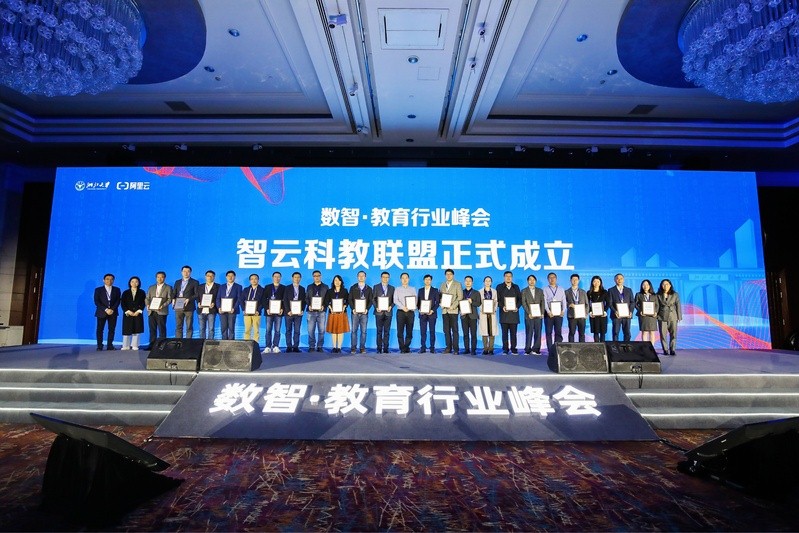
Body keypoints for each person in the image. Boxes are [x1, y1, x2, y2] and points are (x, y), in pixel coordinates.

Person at [145, 271, 172, 349]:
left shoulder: (168, 287)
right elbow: (147, 298)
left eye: (162, 277)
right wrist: (147, 305)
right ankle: (151, 345)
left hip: (162, 311)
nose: (160, 279)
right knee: (152, 329)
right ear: (156, 278)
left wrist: (162, 306)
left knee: (162, 329)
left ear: (164, 278)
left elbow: (170, 299)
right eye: (158, 277)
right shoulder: (151, 287)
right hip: (151, 311)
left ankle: (162, 346)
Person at [93, 273, 121, 351]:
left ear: (113, 280)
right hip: (101, 312)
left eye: (111, 279)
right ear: (103, 280)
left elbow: (118, 301)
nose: (109, 281)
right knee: (100, 330)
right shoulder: (98, 290)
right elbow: (97, 301)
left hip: (113, 312)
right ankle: (99, 346)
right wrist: (106, 309)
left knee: (111, 329)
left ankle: (110, 345)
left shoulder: (117, 289)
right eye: (107, 279)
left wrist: (112, 309)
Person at [497, 270, 522, 354]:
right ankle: (505, 349)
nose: (508, 278)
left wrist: (517, 307)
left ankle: (513, 348)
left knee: (513, 333)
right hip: (504, 314)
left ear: (512, 277)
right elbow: (497, 300)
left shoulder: (516, 287)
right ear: (504, 277)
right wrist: (502, 306)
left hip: (514, 314)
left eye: (510, 276)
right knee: (504, 334)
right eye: (506, 276)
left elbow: (520, 299)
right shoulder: (499, 287)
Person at [348, 271, 372, 354]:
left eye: (363, 276)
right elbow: (350, 299)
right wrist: (353, 309)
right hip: (355, 313)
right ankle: (353, 348)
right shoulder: (353, 287)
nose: (361, 277)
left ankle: (362, 348)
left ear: (365, 277)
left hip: (364, 313)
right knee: (354, 331)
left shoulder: (369, 288)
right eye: (359, 276)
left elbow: (371, 300)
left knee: (364, 331)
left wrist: (367, 309)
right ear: (357, 277)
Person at [439, 269, 463, 354]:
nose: (448, 276)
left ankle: (456, 349)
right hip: (445, 311)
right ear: (445, 275)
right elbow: (440, 297)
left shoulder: (457, 284)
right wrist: (441, 303)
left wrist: (453, 306)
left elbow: (460, 297)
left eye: (450, 274)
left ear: (453, 275)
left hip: (453, 310)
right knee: (446, 330)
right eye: (447, 274)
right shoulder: (442, 285)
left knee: (455, 330)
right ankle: (448, 348)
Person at [324, 274, 349, 353]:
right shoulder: (329, 291)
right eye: (335, 280)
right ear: (333, 282)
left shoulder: (345, 291)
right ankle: (334, 347)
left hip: (342, 313)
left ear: (341, 282)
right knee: (334, 330)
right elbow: (326, 301)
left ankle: (339, 347)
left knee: (340, 331)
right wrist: (330, 308)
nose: (337, 282)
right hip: (332, 313)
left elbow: (348, 300)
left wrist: (344, 306)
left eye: (338, 280)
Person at [172, 265, 199, 338]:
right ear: (181, 272)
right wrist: (173, 299)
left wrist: (189, 299)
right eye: (184, 271)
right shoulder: (177, 282)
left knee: (189, 326)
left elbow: (197, 294)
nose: (186, 273)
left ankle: (188, 342)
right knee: (178, 326)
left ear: (190, 272)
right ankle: (178, 342)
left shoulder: (195, 282)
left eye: (188, 271)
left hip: (189, 306)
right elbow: (174, 293)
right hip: (178, 306)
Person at [521, 274, 545, 355]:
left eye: (533, 280)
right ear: (528, 281)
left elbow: (542, 302)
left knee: (538, 332)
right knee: (529, 332)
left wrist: (542, 312)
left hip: (538, 315)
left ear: (535, 281)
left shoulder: (540, 291)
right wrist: (529, 313)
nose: (531, 281)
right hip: (529, 316)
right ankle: (527, 349)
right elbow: (524, 303)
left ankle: (536, 349)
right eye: (530, 280)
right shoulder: (524, 291)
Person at [657, 279, 682, 356]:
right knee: (663, 334)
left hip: (672, 316)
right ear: (661, 286)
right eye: (663, 284)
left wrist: (679, 316)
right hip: (662, 316)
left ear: (670, 285)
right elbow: (656, 306)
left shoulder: (675, 294)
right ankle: (665, 349)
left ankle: (672, 349)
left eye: (667, 284)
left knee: (673, 334)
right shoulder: (658, 295)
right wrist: (655, 315)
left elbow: (678, 305)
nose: (665, 286)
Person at [543, 272, 567, 353]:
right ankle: (550, 350)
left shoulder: (561, 289)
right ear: (548, 279)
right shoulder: (545, 289)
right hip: (549, 313)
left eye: (553, 277)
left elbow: (564, 301)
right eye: (550, 278)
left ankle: (558, 349)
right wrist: (548, 311)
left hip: (559, 313)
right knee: (548, 332)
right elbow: (544, 301)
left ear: (556, 279)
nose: (552, 279)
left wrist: (563, 310)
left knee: (558, 332)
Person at [306, 270, 328, 352]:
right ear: (313, 277)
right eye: (315, 276)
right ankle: (311, 346)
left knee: (321, 330)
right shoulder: (309, 287)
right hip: (311, 312)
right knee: (310, 330)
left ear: (321, 276)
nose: (317, 277)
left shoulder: (325, 287)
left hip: (321, 312)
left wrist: (324, 306)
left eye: (318, 275)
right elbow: (306, 298)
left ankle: (320, 346)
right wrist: (309, 305)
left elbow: (327, 299)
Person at [120, 275, 146, 350]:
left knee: (137, 329)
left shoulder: (142, 292)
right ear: (130, 283)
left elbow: (144, 302)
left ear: (139, 283)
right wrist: (127, 311)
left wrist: (139, 311)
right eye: (132, 281)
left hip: (137, 313)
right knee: (127, 329)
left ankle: (135, 345)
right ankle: (125, 345)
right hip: (128, 313)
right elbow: (122, 303)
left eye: (136, 282)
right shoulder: (125, 292)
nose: (134, 283)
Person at [283, 272, 306, 353]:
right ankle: (289, 346)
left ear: (300, 278)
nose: (297, 279)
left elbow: (304, 301)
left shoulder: (302, 289)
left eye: (298, 277)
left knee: (297, 330)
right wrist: (288, 311)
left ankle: (296, 346)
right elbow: (285, 300)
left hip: (298, 313)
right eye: (295, 277)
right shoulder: (287, 288)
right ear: (292, 278)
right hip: (289, 313)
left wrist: (302, 310)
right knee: (288, 330)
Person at [393, 272, 416, 353]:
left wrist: (411, 307)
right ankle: (402, 348)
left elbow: (415, 300)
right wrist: (403, 307)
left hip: (410, 312)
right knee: (400, 331)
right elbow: (395, 300)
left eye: (406, 278)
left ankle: (406, 347)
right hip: (401, 312)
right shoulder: (397, 289)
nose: (404, 279)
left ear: (408, 279)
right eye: (403, 278)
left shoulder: (412, 289)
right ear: (400, 279)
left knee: (409, 331)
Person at [263, 271, 285, 353]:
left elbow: (285, 300)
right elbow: (263, 299)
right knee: (268, 330)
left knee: (277, 330)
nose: (277, 278)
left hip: (279, 312)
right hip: (269, 312)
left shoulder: (284, 288)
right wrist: (267, 308)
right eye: (275, 276)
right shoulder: (267, 287)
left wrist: (282, 308)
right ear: (273, 277)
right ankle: (268, 346)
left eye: (278, 277)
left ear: (280, 278)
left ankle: (276, 346)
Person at [372, 271, 394, 353]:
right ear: (381, 278)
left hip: (388, 312)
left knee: (387, 331)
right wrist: (376, 307)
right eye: (384, 277)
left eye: (387, 277)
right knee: (379, 331)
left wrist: (391, 307)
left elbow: (394, 300)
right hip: (379, 312)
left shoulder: (392, 288)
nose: (385, 278)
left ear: (389, 278)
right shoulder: (376, 287)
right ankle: (379, 348)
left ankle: (386, 349)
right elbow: (373, 299)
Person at [608, 273, 634, 341]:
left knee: (627, 333)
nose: (619, 280)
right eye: (617, 279)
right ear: (614, 280)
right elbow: (610, 303)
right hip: (616, 315)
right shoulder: (611, 290)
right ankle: (615, 347)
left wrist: (630, 311)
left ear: (623, 280)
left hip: (627, 315)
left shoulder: (629, 290)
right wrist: (615, 311)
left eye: (621, 279)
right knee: (615, 333)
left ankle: (627, 346)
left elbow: (632, 302)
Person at [217, 270, 243, 340]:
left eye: (232, 276)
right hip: (222, 310)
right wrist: (219, 307)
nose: (230, 277)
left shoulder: (238, 286)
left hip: (232, 310)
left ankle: (231, 343)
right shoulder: (221, 286)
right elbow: (218, 298)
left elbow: (239, 299)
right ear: (226, 277)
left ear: (234, 277)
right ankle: (224, 342)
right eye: (228, 276)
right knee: (223, 327)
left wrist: (234, 308)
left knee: (231, 327)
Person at [417, 274, 439, 353]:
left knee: (432, 331)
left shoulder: (435, 290)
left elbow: (437, 303)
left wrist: (432, 310)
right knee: (423, 331)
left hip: (432, 314)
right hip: (422, 314)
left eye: (429, 279)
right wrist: (419, 309)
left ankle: (432, 347)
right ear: (424, 280)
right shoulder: (420, 290)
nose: (427, 281)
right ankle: (423, 347)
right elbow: (418, 302)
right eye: (426, 279)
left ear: (431, 281)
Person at [460, 275, 482, 355]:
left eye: (469, 281)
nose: (468, 282)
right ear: (464, 282)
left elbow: (479, 303)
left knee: (473, 334)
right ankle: (466, 349)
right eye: (466, 281)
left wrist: (471, 301)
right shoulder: (461, 292)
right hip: (464, 316)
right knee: (465, 334)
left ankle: (473, 349)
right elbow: (459, 303)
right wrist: (460, 311)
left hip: (473, 316)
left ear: (472, 282)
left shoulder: (476, 292)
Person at [240, 274, 264, 344]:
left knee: (256, 330)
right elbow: (241, 300)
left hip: (257, 313)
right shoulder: (246, 289)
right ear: (250, 281)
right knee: (247, 330)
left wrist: (258, 310)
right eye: (252, 279)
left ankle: (256, 345)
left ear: (258, 280)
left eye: (255, 278)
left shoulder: (262, 290)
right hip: (247, 313)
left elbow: (263, 302)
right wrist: (244, 310)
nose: (254, 280)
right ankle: (246, 345)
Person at [566, 273, 589, 343]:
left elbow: (587, 304)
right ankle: (571, 348)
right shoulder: (566, 292)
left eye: (576, 279)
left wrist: (586, 314)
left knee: (582, 334)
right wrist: (569, 304)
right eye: (573, 280)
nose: (575, 281)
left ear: (578, 281)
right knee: (571, 333)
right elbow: (564, 303)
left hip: (581, 316)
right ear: (570, 281)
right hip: (571, 315)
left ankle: (582, 348)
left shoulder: (583, 292)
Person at [197, 270, 220, 340]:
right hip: (201, 309)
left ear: (214, 277)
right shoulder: (200, 286)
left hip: (212, 310)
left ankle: (210, 343)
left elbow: (219, 297)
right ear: (205, 277)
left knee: (211, 328)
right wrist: (198, 302)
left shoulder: (218, 286)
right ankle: (201, 343)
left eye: (211, 276)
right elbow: (197, 296)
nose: (209, 277)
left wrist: (214, 303)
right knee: (201, 328)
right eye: (208, 276)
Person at [635, 279, 660, 345]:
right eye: (643, 285)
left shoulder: (654, 295)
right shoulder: (638, 294)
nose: (645, 286)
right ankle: (645, 348)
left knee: (652, 332)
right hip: (643, 316)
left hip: (652, 316)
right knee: (644, 332)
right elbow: (635, 304)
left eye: (647, 285)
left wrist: (655, 312)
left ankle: (652, 347)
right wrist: (640, 311)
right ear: (641, 286)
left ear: (649, 286)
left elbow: (657, 305)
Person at [479, 276, 498, 355]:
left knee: (492, 331)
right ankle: (485, 349)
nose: (487, 282)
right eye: (486, 281)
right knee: (484, 331)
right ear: (484, 282)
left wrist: (494, 309)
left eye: (489, 281)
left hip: (492, 313)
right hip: (483, 313)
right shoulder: (480, 292)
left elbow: (496, 301)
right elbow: (479, 302)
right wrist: (482, 309)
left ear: (491, 282)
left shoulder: (494, 291)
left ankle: (491, 349)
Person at [587, 276, 609, 342]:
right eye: (594, 281)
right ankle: (596, 346)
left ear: (600, 283)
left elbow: (608, 303)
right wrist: (590, 312)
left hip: (602, 315)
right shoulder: (589, 292)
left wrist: (605, 311)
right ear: (592, 282)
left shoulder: (604, 292)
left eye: (598, 281)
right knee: (595, 332)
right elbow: (587, 304)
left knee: (603, 332)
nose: (596, 283)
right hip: (593, 315)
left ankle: (603, 346)